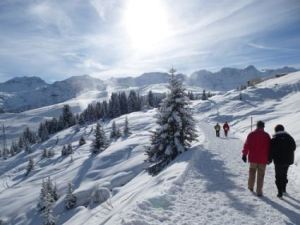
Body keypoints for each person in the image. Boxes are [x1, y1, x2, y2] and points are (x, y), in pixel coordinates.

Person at [242, 120, 271, 197]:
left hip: (253, 158)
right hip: (263, 159)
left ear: (257, 126)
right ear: (263, 126)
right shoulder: (267, 136)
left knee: (252, 173)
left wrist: (244, 154)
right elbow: (269, 148)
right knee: (261, 175)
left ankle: (250, 187)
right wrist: (269, 158)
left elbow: (246, 145)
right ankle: (259, 191)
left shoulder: (251, 134)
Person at [269, 124, 296, 198]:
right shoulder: (289, 137)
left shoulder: (274, 139)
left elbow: (271, 150)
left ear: (276, 130)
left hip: (278, 161)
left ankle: (279, 192)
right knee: (284, 174)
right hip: (288, 160)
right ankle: (284, 189)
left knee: (278, 176)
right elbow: (294, 147)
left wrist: (269, 159)